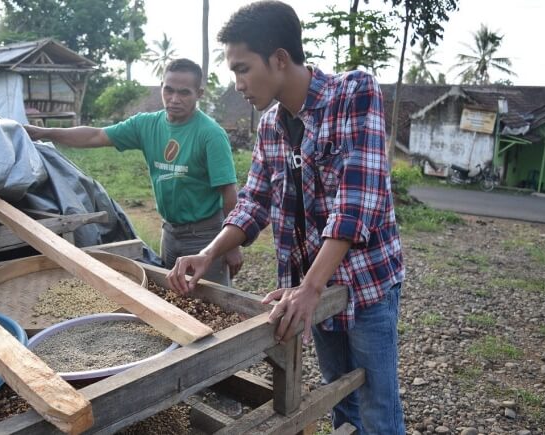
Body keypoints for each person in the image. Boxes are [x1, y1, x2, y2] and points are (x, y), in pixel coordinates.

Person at [166, 2, 405, 433]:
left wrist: (311, 288)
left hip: (365, 281)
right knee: (338, 394)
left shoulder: (353, 93)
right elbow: (254, 202)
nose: (237, 84)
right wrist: (208, 254)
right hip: (310, 285)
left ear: (278, 58)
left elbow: (355, 204)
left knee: (377, 405)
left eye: (242, 69)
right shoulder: (271, 125)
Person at [24, 58, 242, 286]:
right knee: (174, 297)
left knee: (211, 302)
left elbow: (228, 192)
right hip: (170, 232)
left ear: (200, 93)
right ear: (161, 87)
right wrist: (44, 132)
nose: (174, 99)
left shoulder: (210, 134)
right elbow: (95, 135)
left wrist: (231, 245)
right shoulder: (146, 125)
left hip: (205, 235)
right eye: (169, 90)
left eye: (184, 93)